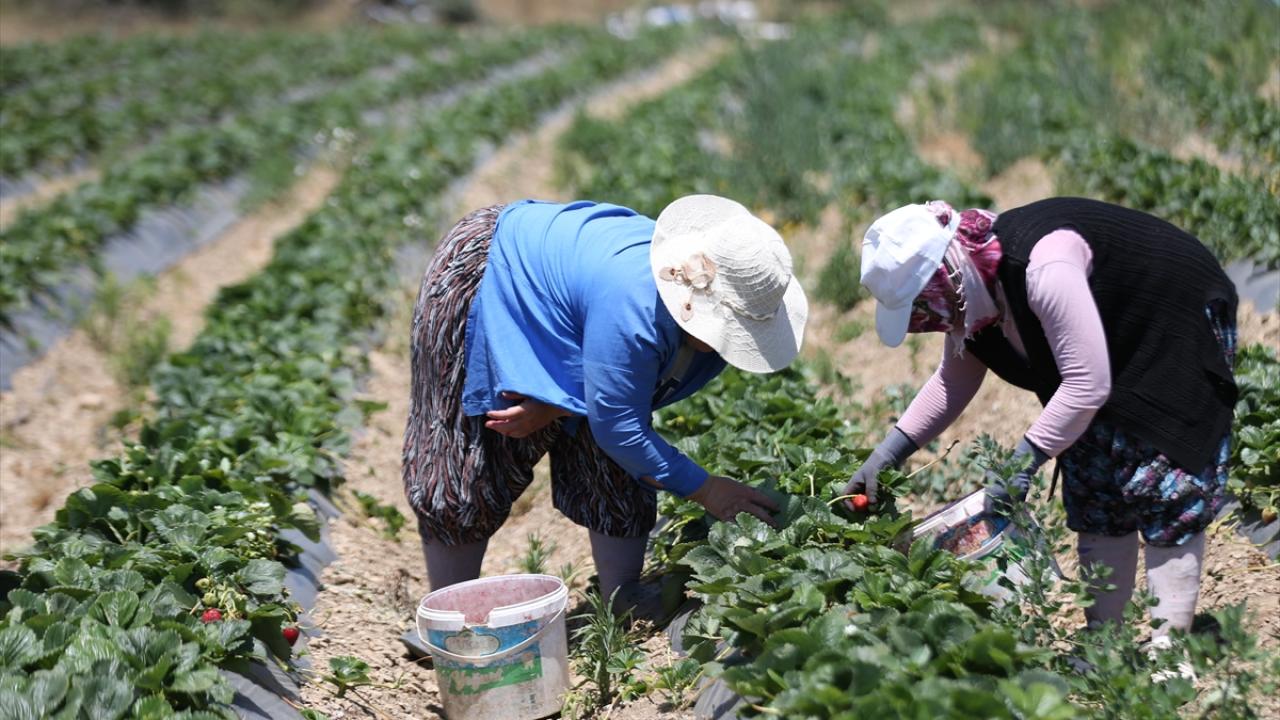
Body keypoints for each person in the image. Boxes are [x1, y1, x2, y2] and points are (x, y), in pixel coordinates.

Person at [845, 197, 1237, 647]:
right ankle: (1103, 648)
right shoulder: (973, 295)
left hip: (1169, 317)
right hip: (1099, 355)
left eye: (923, 310)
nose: (929, 322)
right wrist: (886, 455)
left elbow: (1087, 385)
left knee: (1165, 487)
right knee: (1097, 493)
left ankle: (1169, 652)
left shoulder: (1040, 266)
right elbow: (953, 380)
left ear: (944, 281)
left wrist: (1024, 461)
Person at [403, 195, 808, 603]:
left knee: (614, 454)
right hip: (495, 273)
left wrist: (564, 399)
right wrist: (706, 490)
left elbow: (618, 411)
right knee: (475, 448)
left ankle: (623, 598)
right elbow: (618, 425)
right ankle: (451, 616)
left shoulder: (713, 309)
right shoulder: (635, 306)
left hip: (585, 305)